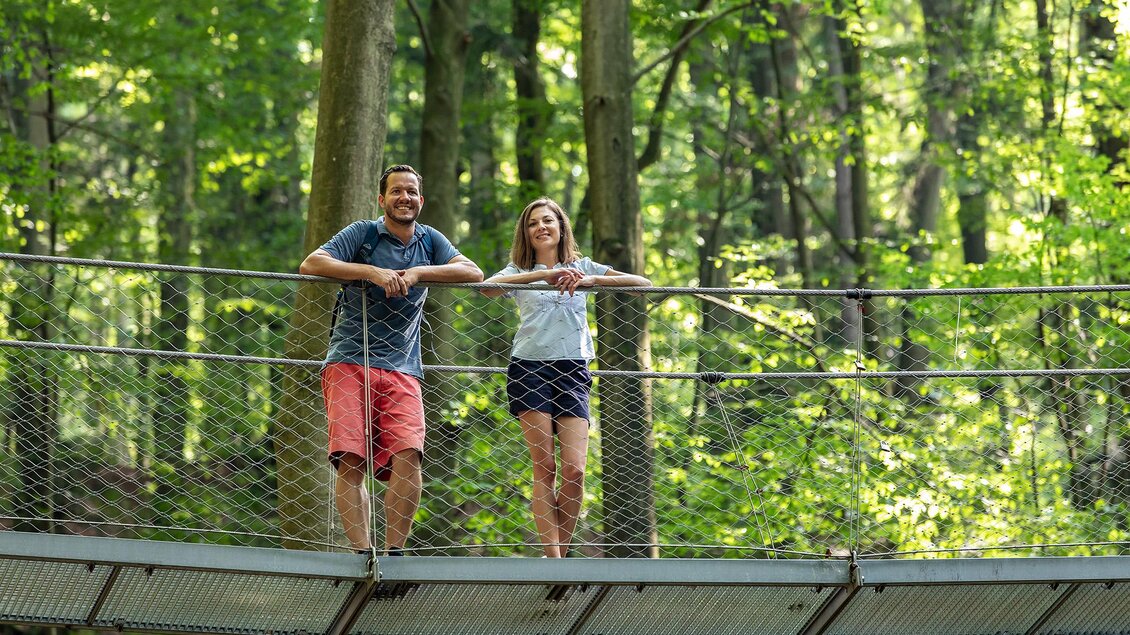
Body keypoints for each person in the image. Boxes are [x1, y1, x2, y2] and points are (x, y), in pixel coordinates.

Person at [300, 164, 483, 555]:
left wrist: (417, 273)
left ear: (421, 200)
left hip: (403, 367)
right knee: (351, 459)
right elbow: (312, 264)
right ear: (382, 199)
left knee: (409, 454)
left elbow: (473, 272)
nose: (405, 197)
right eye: (397, 191)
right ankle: (363, 556)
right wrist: (372, 272)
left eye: (411, 192)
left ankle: (394, 554)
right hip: (349, 360)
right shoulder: (362, 233)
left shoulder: (430, 240)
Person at [482, 197, 651, 557]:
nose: (540, 227)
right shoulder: (518, 271)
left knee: (575, 470)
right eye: (532, 223)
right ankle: (555, 560)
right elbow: (486, 287)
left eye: (547, 220)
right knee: (545, 466)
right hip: (529, 369)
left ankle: (562, 552)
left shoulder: (583, 265)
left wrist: (592, 280)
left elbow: (642, 284)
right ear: (525, 233)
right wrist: (541, 276)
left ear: (561, 227)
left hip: (573, 370)